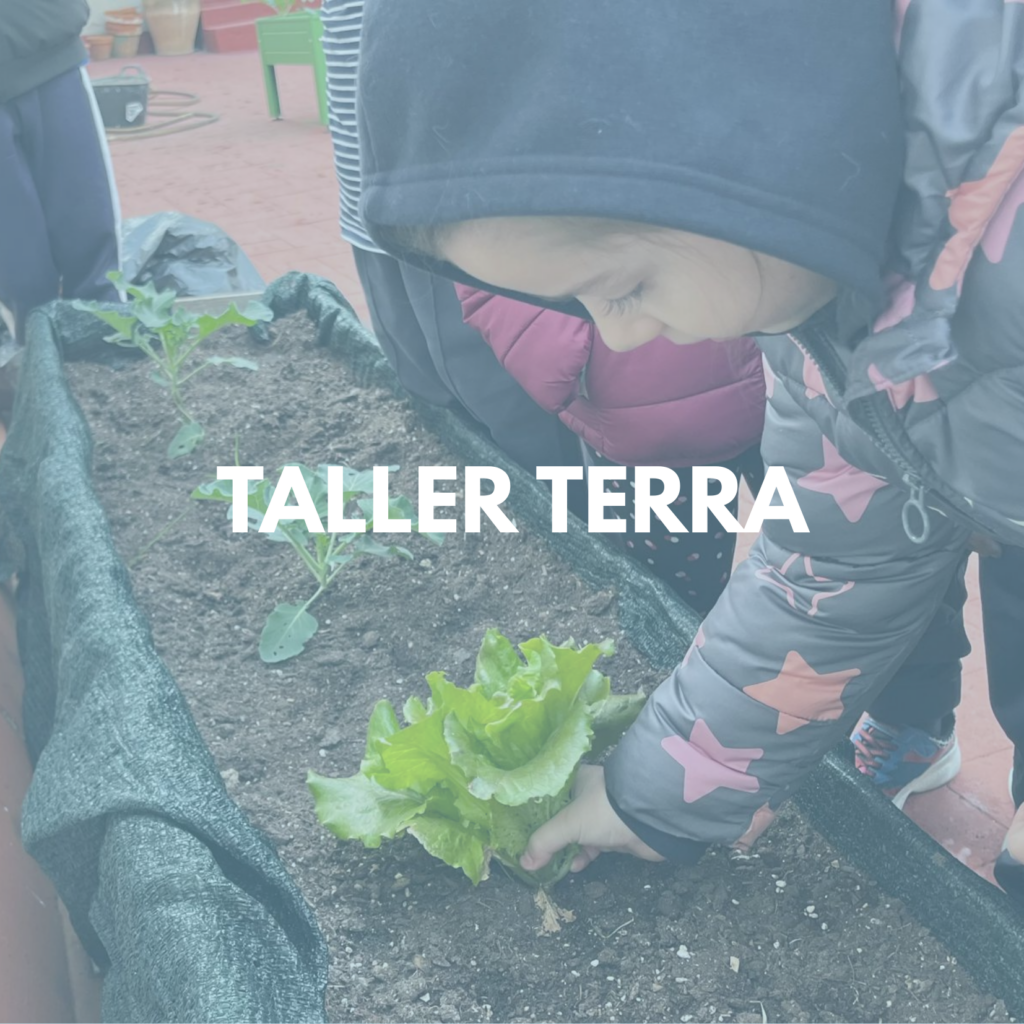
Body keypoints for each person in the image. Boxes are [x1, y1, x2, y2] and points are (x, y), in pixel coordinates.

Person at [355, 1, 1024, 888]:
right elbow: (828, 566)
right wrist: (654, 794)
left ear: (744, 134)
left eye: (625, 287)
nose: (621, 339)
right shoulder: (819, 301)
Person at [321, 0, 580, 476]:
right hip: (368, 192)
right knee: (425, 385)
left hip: (459, 200)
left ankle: (570, 535)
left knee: (512, 405)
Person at [454, 284, 766, 616]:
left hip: (788, 377)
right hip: (645, 417)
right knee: (684, 599)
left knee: (814, 552)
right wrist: (563, 348)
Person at [0, 0, 121, 345]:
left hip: (48, 50)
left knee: (91, 245)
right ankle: (38, 372)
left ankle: (109, 364)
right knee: (17, 272)